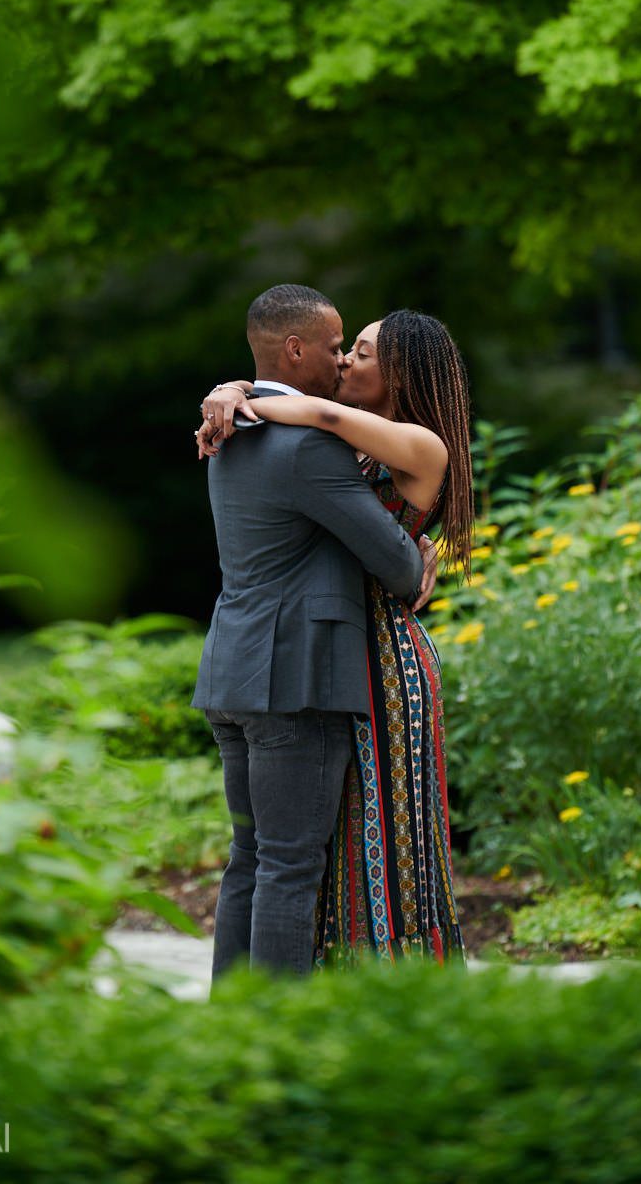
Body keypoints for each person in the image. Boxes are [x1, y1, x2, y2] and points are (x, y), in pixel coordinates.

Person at [197, 307, 473, 967]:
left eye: (364, 352)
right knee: (300, 857)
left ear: (402, 371)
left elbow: (322, 416)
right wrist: (239, 393)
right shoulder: (332, 448)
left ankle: (387, 984)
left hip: (380, 662)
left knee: (371, 848)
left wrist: (247, 397)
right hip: (330, 655)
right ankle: (302, 1006)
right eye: (344, 348)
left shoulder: (414, 442)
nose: (346, 359)